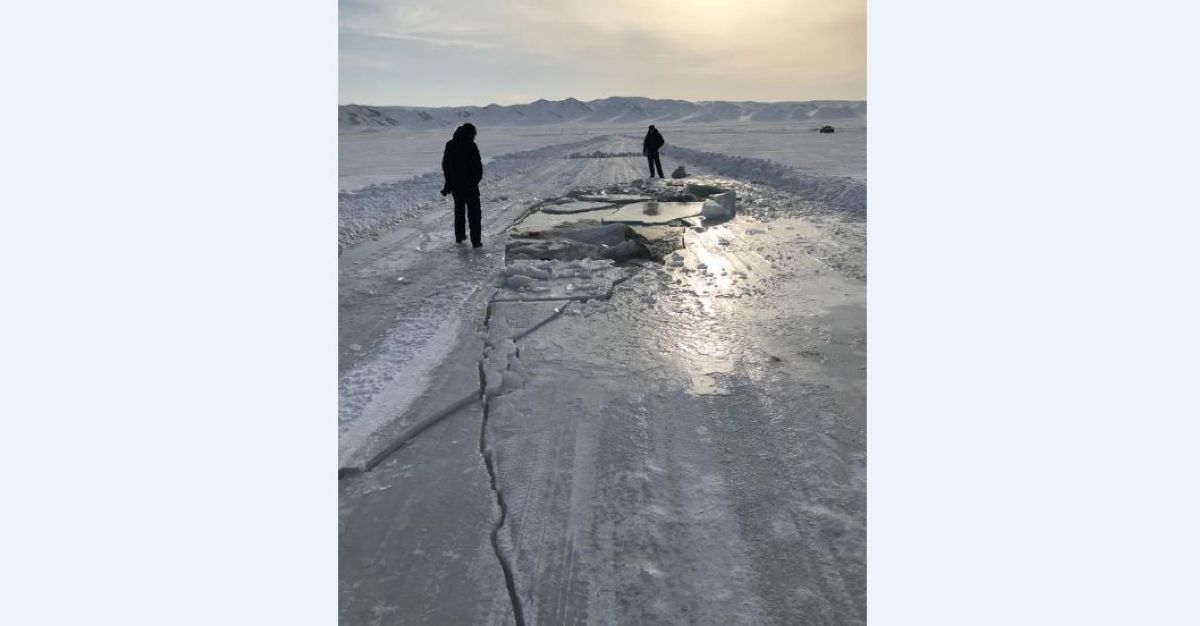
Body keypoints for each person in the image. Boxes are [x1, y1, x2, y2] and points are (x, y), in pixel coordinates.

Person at [440, 123, 484, 247]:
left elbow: (446, 166)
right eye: (473, 135)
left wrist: (448, 184)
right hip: (470, 187)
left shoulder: (450, 145)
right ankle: (475, 241)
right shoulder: (471, 145)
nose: (474, 137)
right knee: (474, 215)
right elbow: (478, 166)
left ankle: (459, 237)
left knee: (459, 213)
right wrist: (475, 180)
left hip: (457, 187)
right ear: (469, 134)